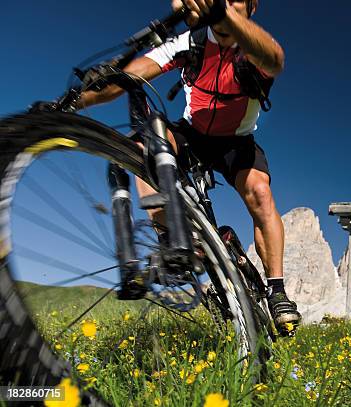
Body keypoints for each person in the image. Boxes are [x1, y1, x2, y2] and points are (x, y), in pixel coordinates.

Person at [76, 0, 301, 333]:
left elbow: (274, 59)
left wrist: (222, 14)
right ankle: (170, 239)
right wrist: (72, 101)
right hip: (192, 132)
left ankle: (277, 290)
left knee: (260, 194)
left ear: (251, 8)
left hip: (236, 141)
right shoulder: (190, 42)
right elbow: (127, 76)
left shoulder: (252, 47)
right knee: (145, 143)